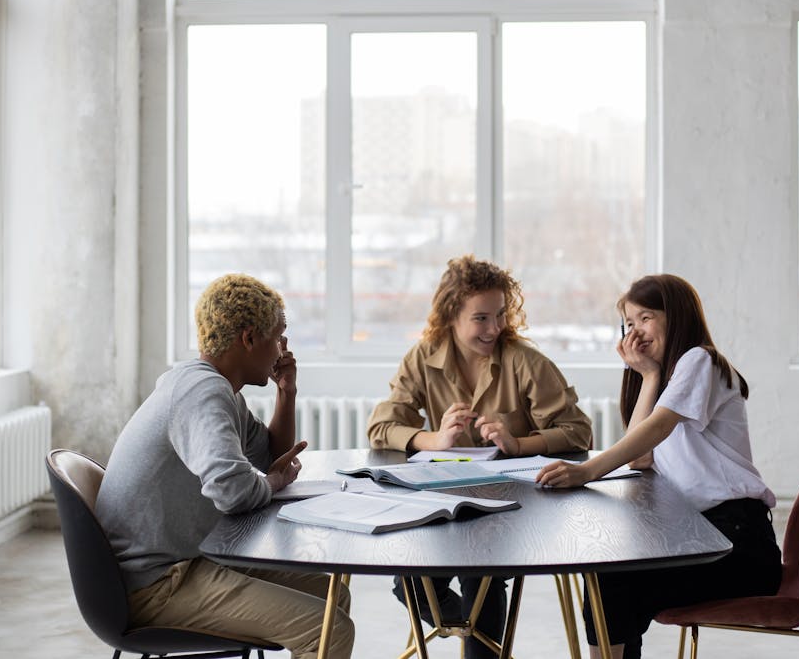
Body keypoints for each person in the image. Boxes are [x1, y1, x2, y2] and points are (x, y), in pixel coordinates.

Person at [95, 274, 354, 659]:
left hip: (181, 563)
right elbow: (232, 490)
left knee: (334, 595)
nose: (283, 349)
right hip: (156, 584)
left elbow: (268, 457)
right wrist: (274, 481)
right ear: (249, 339)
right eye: (278, 336)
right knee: (328, 629)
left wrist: (286, 391)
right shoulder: (204, 392)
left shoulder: (215, 387)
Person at [536, 274, 781, 659]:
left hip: (740, 545)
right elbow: (641, 455)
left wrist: (587, 471)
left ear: (677, 316)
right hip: (709, 535)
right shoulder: (671, 378)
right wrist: (649, 375)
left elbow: (658, 426)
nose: (636, 331)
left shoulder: (699, 360)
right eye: (629, 323)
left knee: (611, 581)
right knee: (612, 578)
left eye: (646, 318)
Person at [367, 255, 593, 659]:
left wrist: (519, 444)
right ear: (451, 316)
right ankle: (466, 629)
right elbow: (380, 427)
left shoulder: (526, 362)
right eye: (481, 319)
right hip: (441, 500)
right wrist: (432, 439)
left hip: (512, 505)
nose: (496, 328)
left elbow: (579, 432)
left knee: (482, 574)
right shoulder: (422, 358)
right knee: (409, 582)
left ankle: (475, 639)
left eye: (501, 315)